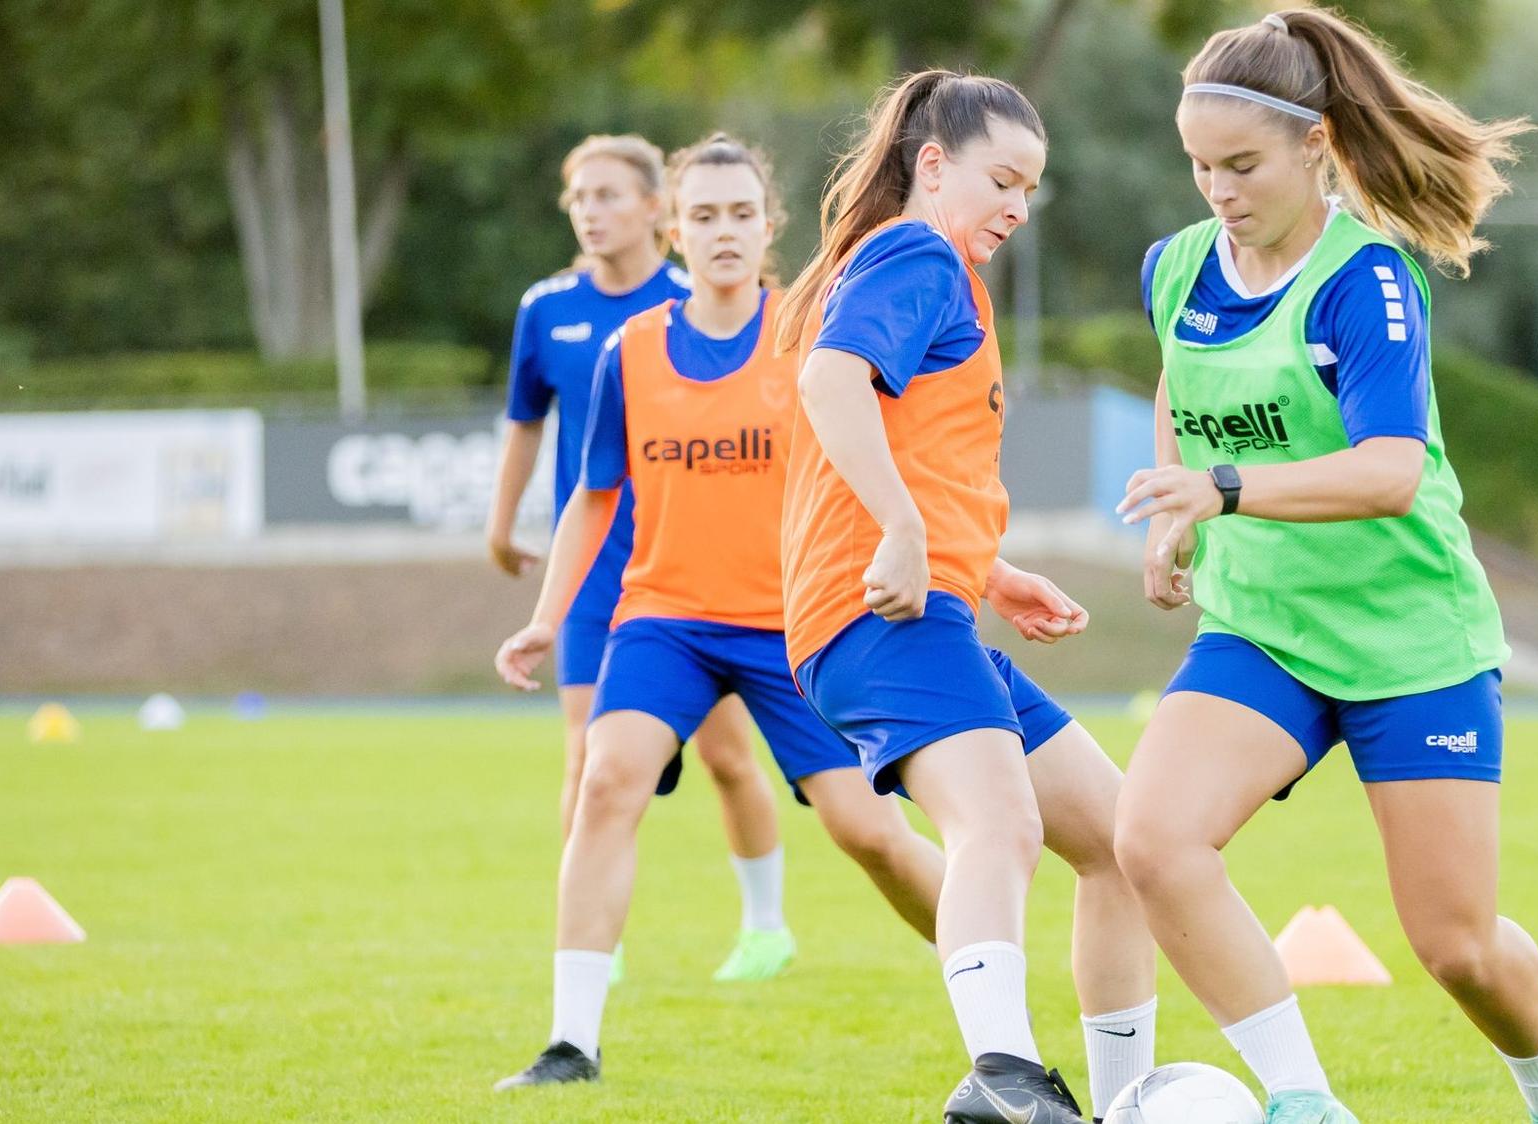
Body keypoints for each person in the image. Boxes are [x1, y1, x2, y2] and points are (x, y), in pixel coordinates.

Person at [1113, 10, 1538, 1124]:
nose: (1216, 189)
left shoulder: (1365, 282)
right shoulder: (1174, 266)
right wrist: (1169, 510)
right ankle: (1302, 1100)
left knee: (1455, 946)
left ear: (1315, 143)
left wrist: (1221, 490)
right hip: (1263, 627)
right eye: (1197, 165)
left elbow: (1385, 470)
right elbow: (1179, 383)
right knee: (1153, 839)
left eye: (1240, 164)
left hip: (1406, 639)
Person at [491, 132, 952, 1091]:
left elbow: (887, 470)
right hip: (663, 620)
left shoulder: (813, 340)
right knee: (607, 782)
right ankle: (570, 1044)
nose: (724, 231)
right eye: (703, 216)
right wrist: (548, 615)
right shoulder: (633, 351)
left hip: (795, 626)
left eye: (742, 213)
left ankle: (991, 975)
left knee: (869, 835)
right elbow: (592, 497)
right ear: (675, 230)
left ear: (770, 227)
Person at [773, 72, 1156, 1124]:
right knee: (999, 822)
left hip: (929, 605)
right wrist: (903, 533)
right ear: (931, 164)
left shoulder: (924, 270)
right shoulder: (915, 251)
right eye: (1002, 179)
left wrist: (984, 567)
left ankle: (1119, 1105)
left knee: (1124, 844)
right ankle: (1003, 1076)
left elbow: (896, 444)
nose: (1017, 209)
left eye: (1030, 189)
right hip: (880, 614)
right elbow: (827, 385)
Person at [485, 133, 794, 985]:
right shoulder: (545, 309)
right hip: (594, 578)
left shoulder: (696, 298)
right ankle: (596, 946)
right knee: (591, 760)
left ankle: (766, 926)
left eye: (609, 195)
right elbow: (525, 424)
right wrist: (501, 520)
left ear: (658, 214)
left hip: (692, 571)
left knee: (731, 757)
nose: (591, 211)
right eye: (578, 197)